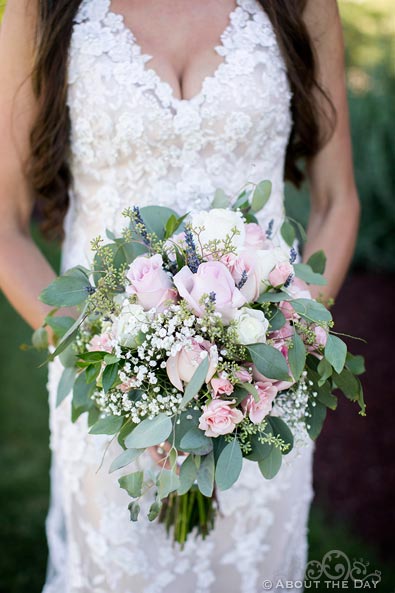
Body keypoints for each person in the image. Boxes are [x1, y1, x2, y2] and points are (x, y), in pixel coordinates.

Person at [0, 1, 360, 591]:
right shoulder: (41, 7)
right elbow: (4, 223)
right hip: (109, 394)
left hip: (261, 392)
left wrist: (284, 341)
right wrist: (110, 361)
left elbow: (336, 202)